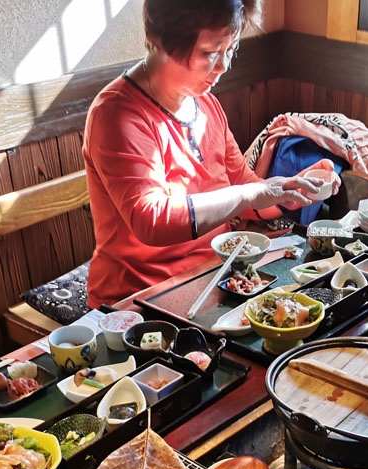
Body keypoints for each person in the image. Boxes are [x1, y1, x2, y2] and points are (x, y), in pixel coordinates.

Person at [82, 0, 335, 307]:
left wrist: (291, 189)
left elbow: (245, 190)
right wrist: (251, 193)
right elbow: (151, 219)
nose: (223, 65)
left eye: (231, 49)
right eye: (210, 52)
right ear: (162, 41)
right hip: (138, 299)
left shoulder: (207, 106)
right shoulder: (117, 114)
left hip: (213, 277)